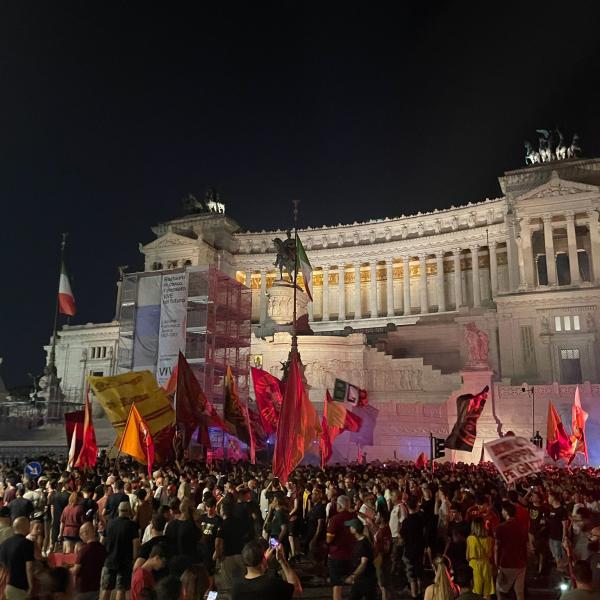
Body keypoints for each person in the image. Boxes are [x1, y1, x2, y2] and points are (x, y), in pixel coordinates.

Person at [230, 539, 300, 600]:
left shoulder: (236, 588)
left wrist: (264, 560)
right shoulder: (274, 585)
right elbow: (297, 590)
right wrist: (282, 560)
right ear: (263, 560)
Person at [100, 501, 140, 600]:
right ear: (129, 511)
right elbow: (136, 545)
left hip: (109, 560)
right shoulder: (132, 525)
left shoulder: (109, 523)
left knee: (106, 589)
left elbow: (102, 541)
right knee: (121, 590)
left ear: (118, 510)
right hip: (124, 562)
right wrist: (134, 560)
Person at [494, 501, 527, 600]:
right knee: (519, 592)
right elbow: (526, 544)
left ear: (505, 512)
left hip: (506, 563)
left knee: (500, 590)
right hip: (521, 563)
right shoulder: (521, 526)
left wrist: (496, 563)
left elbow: (496, 547)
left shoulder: (500, 527)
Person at [327, 495, 356, 600]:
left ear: (339, 505)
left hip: (337, 554)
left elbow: (329, 539)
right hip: (352, 554)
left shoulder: (335, 519)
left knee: (337, 584)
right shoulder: (354, 517)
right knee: (353, 582)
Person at [0, 517, 35, 600]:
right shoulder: (27, 543)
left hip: (4, 585)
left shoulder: (4, 543)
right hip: (18, 586)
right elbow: (29, 566)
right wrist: (31, 586)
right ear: (25, 526)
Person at [72, 521, 107, 600]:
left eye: (81, 534)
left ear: (85, 533)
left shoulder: (83, 550)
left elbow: (76, 570)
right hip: (97, 588)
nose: (81, 537)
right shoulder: (102, 549)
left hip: (83, 589)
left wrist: (67, 569)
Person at [344, 518, 378, 600]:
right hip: (361, 579)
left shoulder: (363, 544)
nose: (349, 528)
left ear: (355, 529)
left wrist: (353, 576)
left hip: (366, 579)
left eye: (351, 527)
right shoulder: (359, 541)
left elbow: (363, 563)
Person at [400, 496, 425, 599]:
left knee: (411, 575)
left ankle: (414, 595)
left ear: (407, 507)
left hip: (409, 551)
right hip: (419, 550)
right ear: (416, 506)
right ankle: (420, 593)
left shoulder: (406, 521)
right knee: (419, 573)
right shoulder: (421, 519)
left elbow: (402, 536)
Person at [466, 517, 494, 599]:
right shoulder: (489, 539)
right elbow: (490, 555)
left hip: (474, 565)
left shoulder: (470, 539)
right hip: (485, 564)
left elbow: (467, 557)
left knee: (476, 591)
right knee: (487, 591)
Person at [198, 496, 222, 575]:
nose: (209, 509)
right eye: (208, 507)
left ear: (215, 507)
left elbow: (219, 537)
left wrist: (216, 551)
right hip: (201, 549)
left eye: (211, 507)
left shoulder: (218, 520)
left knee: (210, 573)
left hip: (211, 549)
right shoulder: (202, 517)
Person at [548, 490, 570, 572]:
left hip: (558, 538)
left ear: (553, 498)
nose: (548, 499)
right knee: (555, 556)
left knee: (559, 557)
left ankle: (562, 575)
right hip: (552, 537)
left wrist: (564, 538)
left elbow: (565, 526)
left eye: (549, 497)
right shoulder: (552, 508)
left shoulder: (562, 510)